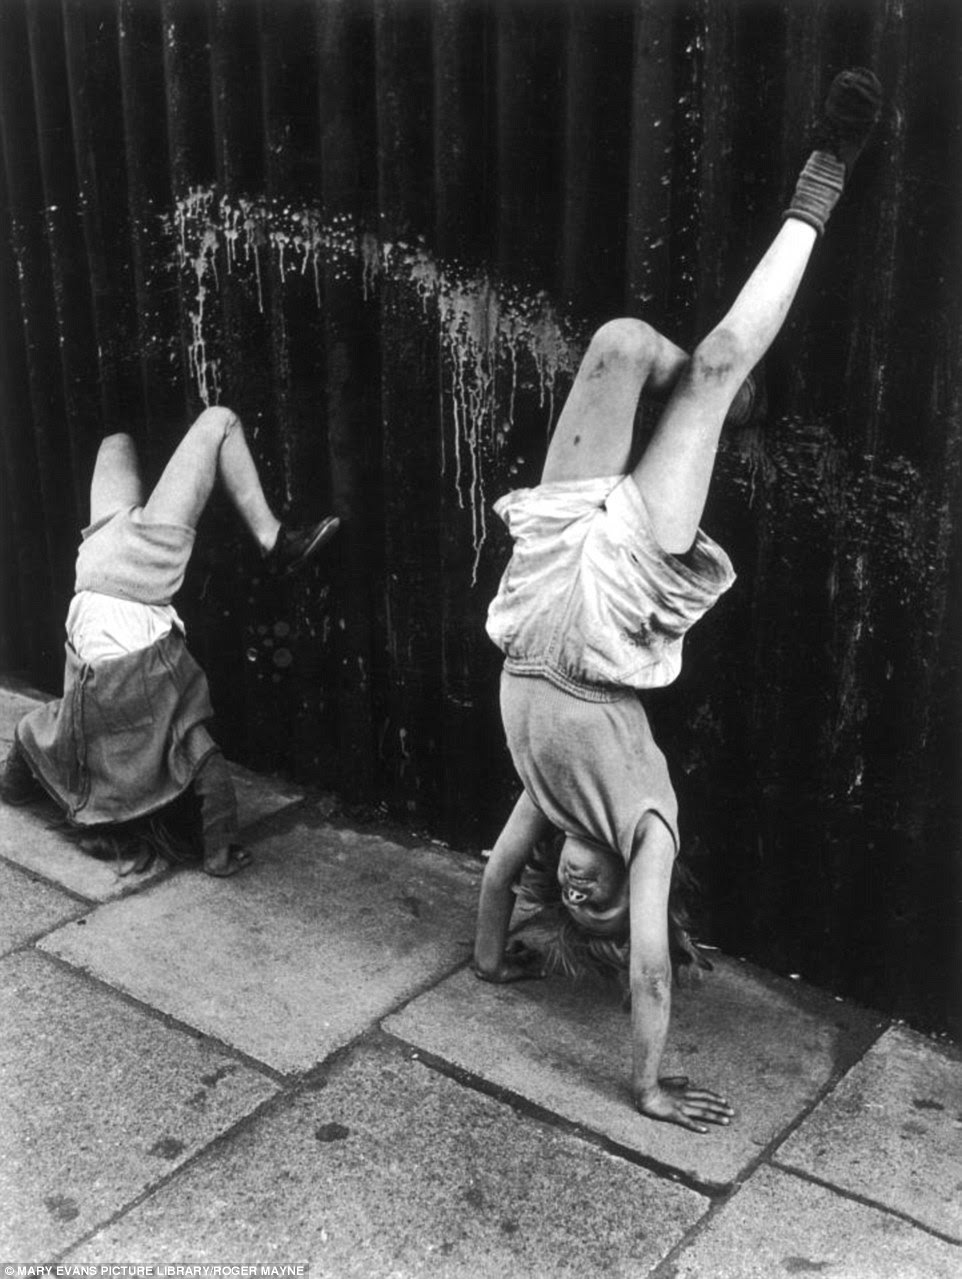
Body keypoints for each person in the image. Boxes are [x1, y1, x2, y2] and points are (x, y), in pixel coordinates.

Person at [475, 69, 882, 1132]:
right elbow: (647, 968)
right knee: (702, 373)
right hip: (609, 613)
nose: (576, 890)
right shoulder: (645, 830)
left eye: (568, 899)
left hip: (533, 599)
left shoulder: (549, 806)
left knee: (614, 342)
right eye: (596, 897)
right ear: (628, 877)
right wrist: (646, 1081)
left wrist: (487, 962)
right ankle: (823, 177)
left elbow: (492, 881)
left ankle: (693, 392)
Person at [0, 406, 339, 877]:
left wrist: (219, 855)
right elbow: (24, 737)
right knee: (116, 441)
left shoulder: (172, 741)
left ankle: (274, 541)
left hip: (136, 574)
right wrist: (11, 789)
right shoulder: (76, 738)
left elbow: (213, 777)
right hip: (94, 575)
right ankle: (266, 534)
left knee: (220, 422)